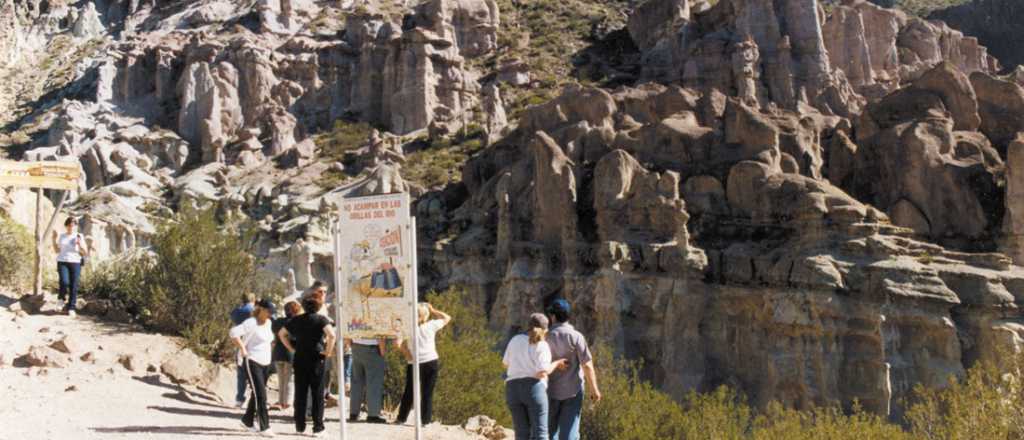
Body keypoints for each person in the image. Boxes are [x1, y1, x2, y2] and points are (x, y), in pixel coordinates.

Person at [503, 314, 567, 440]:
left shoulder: (515, 339)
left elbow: (505, 364)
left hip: (512, 389)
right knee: (540, 434)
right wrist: (557, 363)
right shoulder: (542, 345)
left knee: (521, 434)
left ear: (528, 326)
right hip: (533, 389)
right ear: (546, 330)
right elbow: (543, 372)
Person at [279, 297, 336, 437]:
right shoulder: (321, 319)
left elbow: (282, 334)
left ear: (304, 306)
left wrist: (291, 348)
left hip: (300, 358)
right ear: (318, 307)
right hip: (316, 357)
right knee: (317, 393)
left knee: (300, 392)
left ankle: (299, 426)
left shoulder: (296, 320)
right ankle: (318, 427)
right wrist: (327, 352)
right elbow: (332, 335)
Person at [545, 299, 601, 440]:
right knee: (569, 432)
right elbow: (587, 365)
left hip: (549, 391)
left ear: (553, 316)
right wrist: (594, 390)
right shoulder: (576, 337)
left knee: (549, 432)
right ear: (568, 316)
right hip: (573, 392)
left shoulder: (545, 336)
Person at [396, 303, 452, 425]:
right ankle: (425, 421)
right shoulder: (431, 325)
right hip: (431, 360)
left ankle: (401, 418)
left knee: (409, 391)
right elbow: (447, 317)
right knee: (427, 393)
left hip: (414, 362)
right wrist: (433, 310)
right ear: (425, 316)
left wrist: (407, 354)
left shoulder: (407, 327)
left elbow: (398, 343)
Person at [230, 298, 277, 437]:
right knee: (261, 395)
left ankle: (247, 421)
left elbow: (268, 340)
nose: (270, 314)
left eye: (272, 312)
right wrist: (243, 349)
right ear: (261, 309)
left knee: (256, 394)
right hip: (252, 361)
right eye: (268, 311)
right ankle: (264, 426)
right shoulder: (251, 322)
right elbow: (233, 333)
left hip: (265, 363)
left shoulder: (268, 323)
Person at [51, 217, 88, 317]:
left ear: (76, 226)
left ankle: (71, 307)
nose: (71, 227)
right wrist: (54, 239)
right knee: (64, 281)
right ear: (66, 225)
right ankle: (61, 299)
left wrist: (80, 245)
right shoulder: (62, 236)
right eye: (69, 225)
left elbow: (85, 252)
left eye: (73, 225)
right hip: (62, 261)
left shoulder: (79, 236)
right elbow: (56, 250)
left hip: (75, 262)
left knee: (74, 285)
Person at [349, 335, 388, 423]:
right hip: (372, 348)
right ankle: (373, 414)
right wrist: (382, 351)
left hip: (356, 346)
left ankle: (353, 413)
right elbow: (380, 333)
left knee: (356, 382)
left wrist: (351, 344)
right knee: (374, 382)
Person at [271, 301, 301, 411]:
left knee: (281, 379)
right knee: (289, 379)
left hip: (277, 352)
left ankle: (280, 401)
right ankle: (287, 403)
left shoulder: (278, 322)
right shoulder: (296, 323)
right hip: (290, 353)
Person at [231, 294, 256, 408]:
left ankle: (239, 398)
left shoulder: (237, 311)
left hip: (240, 339)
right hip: (253, 342)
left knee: (241, 373)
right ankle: (255, 398)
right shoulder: (255, 311)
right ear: (253, 299)